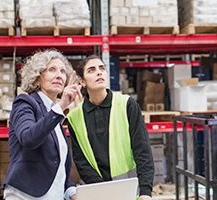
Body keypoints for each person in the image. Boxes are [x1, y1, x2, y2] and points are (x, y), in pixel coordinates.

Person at [66, 55, 154, 200]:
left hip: (131, 193)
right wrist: (104, 192)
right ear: (82, 81)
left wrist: (146, 191)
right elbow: (81, 162)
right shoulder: (74, 118)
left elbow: (142, 150)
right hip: (100, 194)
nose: (99, 72)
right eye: (91, 70)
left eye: (102, 68)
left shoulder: (127, 104)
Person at [4, 49, 82, 200]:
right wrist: (61, 107)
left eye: (62, 71)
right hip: (25, 196)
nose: (59, 75)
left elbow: (58, 170)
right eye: (52, 69)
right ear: (37, 77)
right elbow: (28, 138)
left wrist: (72, 192)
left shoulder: (55, 115)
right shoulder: (25, 103)